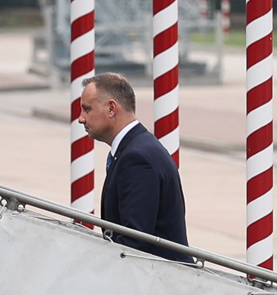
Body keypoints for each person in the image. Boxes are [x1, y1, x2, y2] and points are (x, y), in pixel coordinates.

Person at [78, 72, 192, 262]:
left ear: (111, 108)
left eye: (87, 109)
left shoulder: (137, 158)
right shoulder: (137, 148)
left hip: (158, 276)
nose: (81, 118)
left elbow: (134, 242)